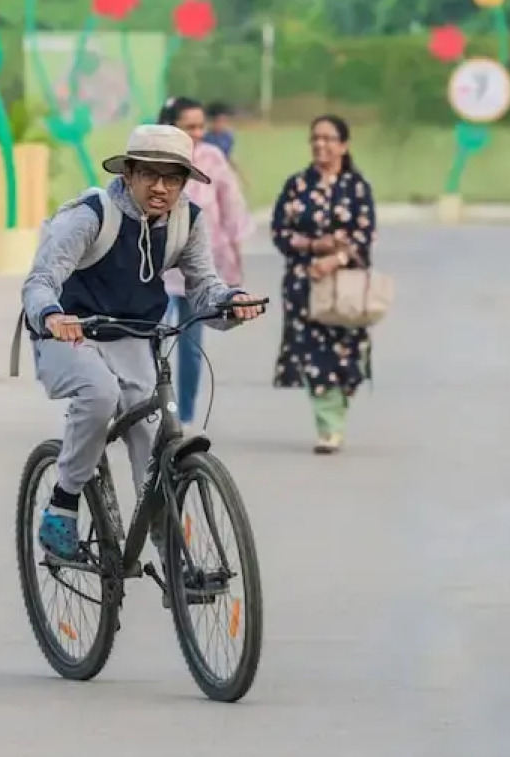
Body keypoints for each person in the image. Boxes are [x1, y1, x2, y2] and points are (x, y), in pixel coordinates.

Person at [21, 124, 265, 559]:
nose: (160, 187)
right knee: (99, 394)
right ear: (128, 173)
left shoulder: (186, 221)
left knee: (154, 439)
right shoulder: (92, 215)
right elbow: (40, 281)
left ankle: (171, 550)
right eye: (149, 174)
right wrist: (53, 316)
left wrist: (231, 302)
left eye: (173, 177)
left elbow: (203, 287)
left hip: (134, 340)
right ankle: (62, 503)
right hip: (69, 335)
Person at [270, 114, 376, 454]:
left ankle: (337, 413)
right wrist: (314, 247)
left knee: (348, 355)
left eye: (329, 138)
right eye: (316, 138)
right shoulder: (297, 185)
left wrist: (337, 258)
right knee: (314, 355)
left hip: (346, 284)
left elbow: (364, 234)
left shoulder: (357, 188)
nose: (321, 144)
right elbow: (279, 231)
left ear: (343, 145)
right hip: (305, 283)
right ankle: (329, 428)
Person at [158, 96, 253, 428]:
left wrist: (235, 256)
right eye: (190, 126)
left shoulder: (212, 159)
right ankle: (143, 407)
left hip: (197, 270)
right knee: (147, 339)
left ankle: (182, 417)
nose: (198, 133)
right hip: (155, 269)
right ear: (171, 126)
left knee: (192, 346)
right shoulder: (153, 161)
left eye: (200, 126)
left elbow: (232, 208)